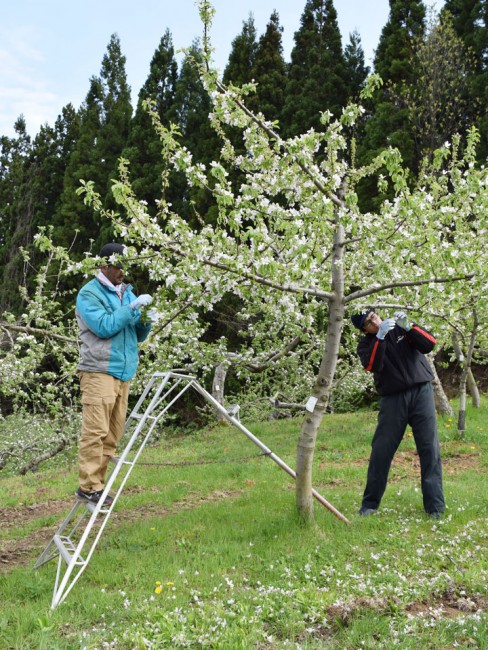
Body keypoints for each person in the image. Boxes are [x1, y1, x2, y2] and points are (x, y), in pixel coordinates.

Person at [75, 242, 153, 505]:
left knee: (112, 434)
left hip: (123, 371)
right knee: (95, 431)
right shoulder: (89, 294)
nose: (123, 272)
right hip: (99, 370)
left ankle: (97, 485)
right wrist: (130, 309)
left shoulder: (127, 293)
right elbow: (104, 326)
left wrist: (146, 319)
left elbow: (137, 335)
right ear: (103, 265)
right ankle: (88, 487)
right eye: (118, 266)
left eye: (125, 267)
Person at [351, 309, 445, 519]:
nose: (375, 321)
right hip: (393, 399)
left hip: (421, 392)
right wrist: (380, 338)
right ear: (364, 329)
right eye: (369, 322)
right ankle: (369, 505)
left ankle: (435, 507)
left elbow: (429, 343)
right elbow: (372, 365)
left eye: (374, 316)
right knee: (381, 450)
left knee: (429, 448)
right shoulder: (366, 345)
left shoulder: (400, 328)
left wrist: (409, 326)